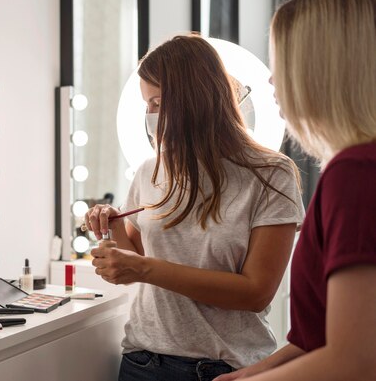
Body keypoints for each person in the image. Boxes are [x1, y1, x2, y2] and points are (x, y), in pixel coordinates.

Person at [84, 34, 304, 381]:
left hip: (222, 368)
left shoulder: (269, 174)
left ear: (195, 98)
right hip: (142, 362)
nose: (150, 116)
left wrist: (144, 269)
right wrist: (110, 227)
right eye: (147, 105)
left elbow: (256, 292)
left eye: (157, 102)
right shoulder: (150, 170)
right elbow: (134, 260)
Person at [214, 0, 376, 381]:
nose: (271, 81)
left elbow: (355, 360)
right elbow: (315, 338)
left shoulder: (356, 174)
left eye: (282, 62)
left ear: (322, 68)